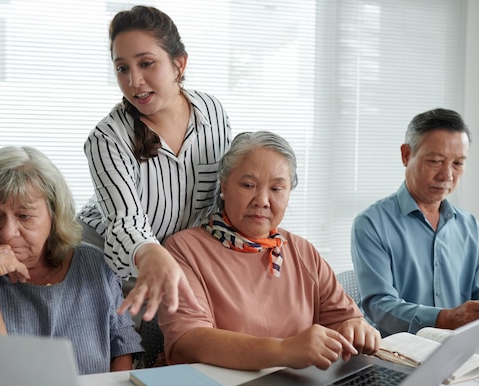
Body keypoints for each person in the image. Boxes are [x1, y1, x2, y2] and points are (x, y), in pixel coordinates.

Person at [158, 131, 380, 371]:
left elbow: (343, 318)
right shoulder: (183, 249)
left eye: (276, 189)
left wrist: (356, 327)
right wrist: (284, 350)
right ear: (224, 186)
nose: (262, 200)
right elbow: (187, 342)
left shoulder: (302, 251)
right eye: (248, 185)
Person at [77, 5, 232, 321]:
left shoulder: (213, 112)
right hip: (104, 262)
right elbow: (125, 222)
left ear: (179, 64)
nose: (134, 81)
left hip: (176, 262)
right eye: (122, 69)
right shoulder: (107, 137)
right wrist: (150, 253)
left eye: (146, 63)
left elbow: (220, 199)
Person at [0, 146, 143, 375]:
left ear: (54, 215)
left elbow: (122, 347)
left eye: (24, 216)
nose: (6, 233)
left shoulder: (95, 263)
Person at [351, 108, 479, 337]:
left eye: (458, 164)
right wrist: (446, 319)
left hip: (463, 351)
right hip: (398, 356)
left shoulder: (470, 226)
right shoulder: (371, 223)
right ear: (406, 155)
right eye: (435, 161)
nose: (447, 176)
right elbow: (379, 305)